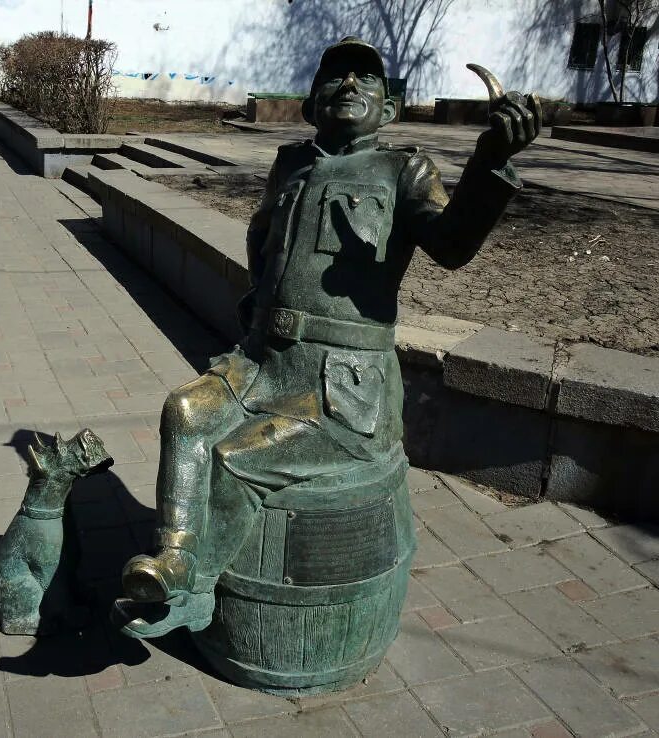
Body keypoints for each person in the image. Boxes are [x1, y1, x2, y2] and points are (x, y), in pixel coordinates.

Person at [116, 37, 541, 637]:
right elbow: (263, 240)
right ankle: (174, 557)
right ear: (312, 103)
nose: (348, 85)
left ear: (389, 108)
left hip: (337, 386)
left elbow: (451, 245)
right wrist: (256, 307)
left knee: (236, 460)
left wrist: (491, 162)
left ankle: (195, 589)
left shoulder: (403, 170)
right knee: (184, 412)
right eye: (335, 77)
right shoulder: (290, 163)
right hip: (262, 362)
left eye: (365, 79)